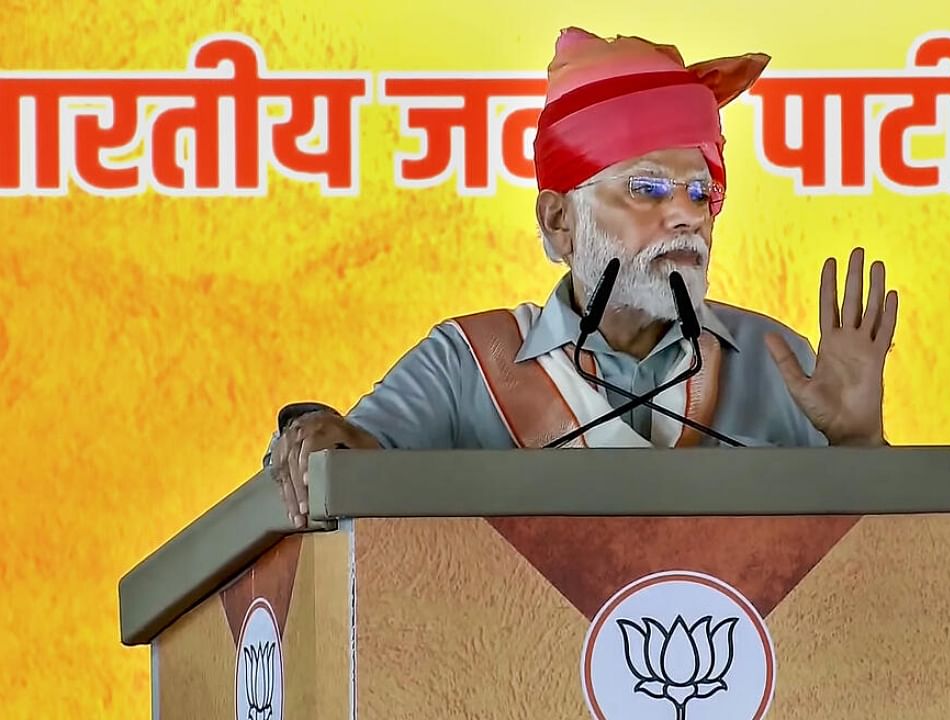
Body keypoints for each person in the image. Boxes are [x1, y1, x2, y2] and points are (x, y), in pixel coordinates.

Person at [267, 27, 900, 527]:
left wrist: (861, 446)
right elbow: (343, 475)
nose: (686, 215)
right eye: (647, 188)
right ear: (558, 219)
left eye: (700, 192)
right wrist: (313, 436)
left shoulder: (778, 363)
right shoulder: (467, 366)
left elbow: (874, 587)